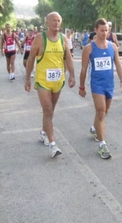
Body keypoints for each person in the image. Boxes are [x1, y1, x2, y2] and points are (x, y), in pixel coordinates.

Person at [24, 12, 75, 158]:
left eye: (59, 21)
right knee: (47, 110)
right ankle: (53, 145)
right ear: (47, 22)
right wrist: (27, 79)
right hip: (43, 81)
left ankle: (43, 132)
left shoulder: (63, 39)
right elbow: (31, 59)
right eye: (53, 21)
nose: (57, 23)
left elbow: (69, 59)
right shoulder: (40, 39)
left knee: (50, 111)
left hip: (58, 81)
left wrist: (72, 75)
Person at [79, 18, 122, 159]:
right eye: (101, 30)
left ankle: (95, 129)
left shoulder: (113, 47)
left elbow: (118, 65)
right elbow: (83, 69)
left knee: (104, 112)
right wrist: (81, 86)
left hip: (109, 85)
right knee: (100, 111)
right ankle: (102, 145)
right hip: (97, 84)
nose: (104, 33)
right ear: (96, 30)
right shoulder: (89, 48)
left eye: (106, 30)